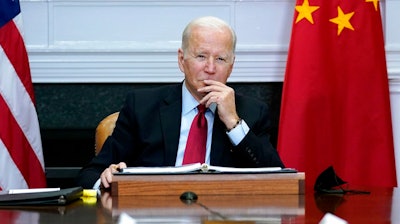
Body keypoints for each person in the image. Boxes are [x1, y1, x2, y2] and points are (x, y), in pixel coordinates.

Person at [76, 16, 284, 189]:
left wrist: (233, 122)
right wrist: (105, 180)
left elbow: (279, 181)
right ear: (181, 59)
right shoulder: (142, 107)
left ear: (231, 66)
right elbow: (90, 175)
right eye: (201, 56)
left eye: (220, 59)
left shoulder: (252, 112)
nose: (210, 68)